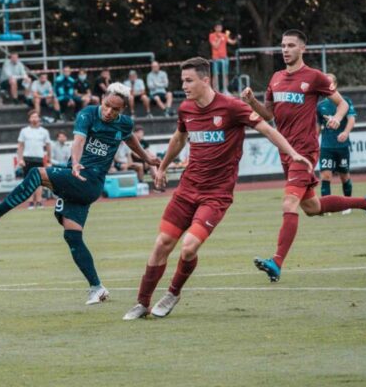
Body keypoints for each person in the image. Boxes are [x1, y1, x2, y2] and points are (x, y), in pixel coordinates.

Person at [123, 57, 313, 320]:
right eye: (182, 81)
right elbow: (179, 138)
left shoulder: (232, 107)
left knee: (188, 247)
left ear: (206, 80)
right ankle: (142, 303)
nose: (184, 86)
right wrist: (163, 167)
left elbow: (268, 130)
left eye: (189, 81)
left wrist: (293, 153)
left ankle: (173, 293)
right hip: (187, 189)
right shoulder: (186, 108)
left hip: (216, 195)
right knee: (161, 244)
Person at [0, 83, 160, 306]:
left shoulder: (124, 123)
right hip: (76, 176)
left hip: (90, 182)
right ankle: (97, 287)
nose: (109, 112)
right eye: (107, 105)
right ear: (102, 98)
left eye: (116, 109)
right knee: (72, 236)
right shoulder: (88, 114)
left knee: (36, 174)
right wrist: (75, 163)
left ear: (123, 109)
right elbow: (79, 141)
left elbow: (130, 138)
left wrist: (147, 158)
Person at [241, 29, 366, 283]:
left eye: (291, 45)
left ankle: (276, 263)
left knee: (289, 204)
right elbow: (268, 115)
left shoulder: (314, 77)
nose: (285, 50)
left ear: (302, 48)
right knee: (312, 207)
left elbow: (343, 104)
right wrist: (252, 101)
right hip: (286, 152)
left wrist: (337, 119)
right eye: (283, 45)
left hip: (304, 153)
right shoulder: (275, 78)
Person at [317, 73, 357, 214]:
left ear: (335, 85)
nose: (327, 86)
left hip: (342, 146)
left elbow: (351, 119)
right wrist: (314, 141)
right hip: (326, 147)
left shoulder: (345, 102)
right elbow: (317, 126)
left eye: (330, 83)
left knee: (344, 176)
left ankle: (347, 204)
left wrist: (345, 132)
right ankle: (326, 207)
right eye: (325, 83)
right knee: (325, 176)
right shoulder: (320, 106)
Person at [17, 110, 52, 209]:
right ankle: (31, 202)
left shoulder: (44, 131)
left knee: (39, 181)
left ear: (39, 118)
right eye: (32, 117)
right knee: (28, 181)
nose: (34, 119)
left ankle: (39, 201)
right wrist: (20, 159)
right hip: (27, 158)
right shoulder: (24, 131)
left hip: (39, 158)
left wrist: (49, 159)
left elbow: (48, 146)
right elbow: (20, 146)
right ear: (29, 119)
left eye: (36, 117)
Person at [208, 22, 239, 94]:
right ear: (215, 28)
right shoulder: (212, 35)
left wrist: (237, 38)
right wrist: (219, 39)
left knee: (225, 74)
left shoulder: (224, 35)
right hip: (216, 58)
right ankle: (215, 91)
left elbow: (232, 42)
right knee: (215, 74)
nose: (219, 28)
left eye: (220, 27)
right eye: (218, 27)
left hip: (224, 58)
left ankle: (225, 90)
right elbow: (215, 46)